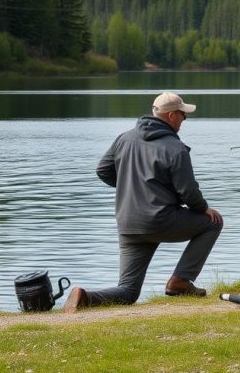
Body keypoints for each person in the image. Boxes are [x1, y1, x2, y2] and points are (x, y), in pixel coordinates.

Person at [64, 92, 224, 312]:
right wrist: (204, 209)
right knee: (213, 222)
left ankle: (85, 298)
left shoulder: (124, 138)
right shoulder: (175, 148)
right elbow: (188, 192)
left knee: (128, 291)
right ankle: (180, 281)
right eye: (182, 114)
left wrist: (132, 189)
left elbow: (102, 171)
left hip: (129, 224)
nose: (184, 119)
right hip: (161, 221)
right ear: (170, 116)